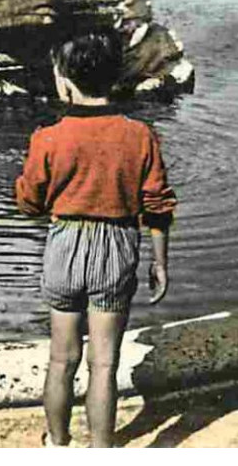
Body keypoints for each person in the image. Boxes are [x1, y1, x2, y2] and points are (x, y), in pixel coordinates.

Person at [14, 30, 177, 447]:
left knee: (61, 358)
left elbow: (29, 204)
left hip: (65, 244)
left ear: (65, 82)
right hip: (117, 245)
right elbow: (156, 204)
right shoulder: (139, 136)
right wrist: (159, 262)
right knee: (103, 363)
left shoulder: (47, 138)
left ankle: (57, 444)